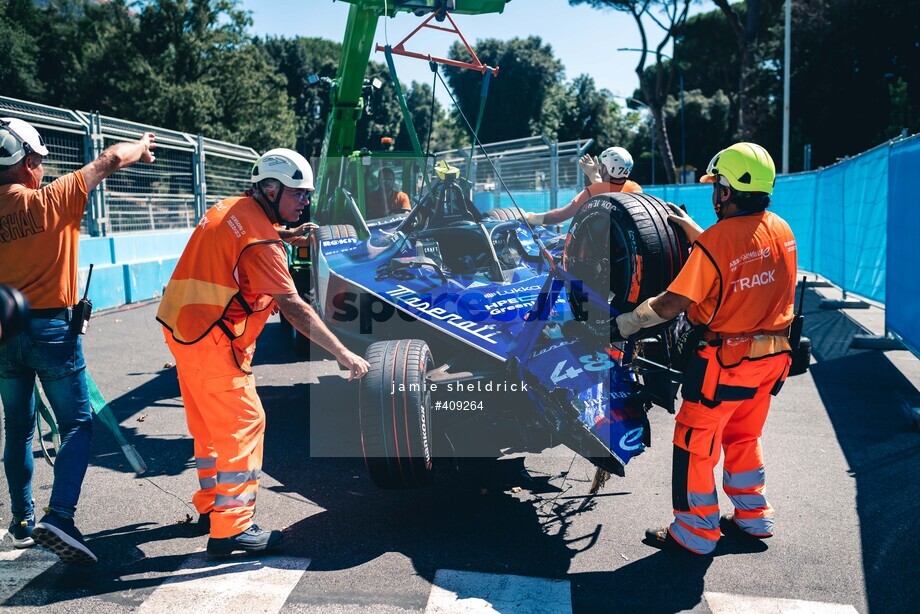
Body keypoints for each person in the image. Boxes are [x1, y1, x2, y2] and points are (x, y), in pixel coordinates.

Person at [157, 148, 370, 557]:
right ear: (270, 188)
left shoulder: (230, 208)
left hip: (182, 329)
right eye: (298, 194)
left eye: (307, 194)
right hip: (214, 340)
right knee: (244, 423)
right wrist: (343, 352)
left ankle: (211, 507)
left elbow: (239, 239)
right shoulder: (261, 245)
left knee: (210, 427)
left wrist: (284, 235)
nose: (306, 201)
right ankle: (231, 529)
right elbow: (293, 307)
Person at [615, 142, 797, 555]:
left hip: (724, 365)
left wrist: (622, 325)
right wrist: (696, 233)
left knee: (694, 442)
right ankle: (754, 517)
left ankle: (695, 531)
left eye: (717, 185)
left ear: (728, 191)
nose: (714, 193)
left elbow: (670, 304)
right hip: (773, 360)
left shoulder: (717, 242)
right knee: (744, 434)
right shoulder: (783, 230)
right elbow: (747, 254)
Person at [0, 118, 157, 564]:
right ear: (27, 162)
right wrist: (141, 147)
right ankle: (61, 517)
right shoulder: (52, 199)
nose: (43, 171)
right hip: (51, 328)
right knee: (76, 424)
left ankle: (22, 521)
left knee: (18, 431)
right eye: (39, 163)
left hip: (4, 333)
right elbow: (109, 159)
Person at [525, 146, 642, 226]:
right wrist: (594, 177)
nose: (600, 167)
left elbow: (560, 215)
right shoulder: (636, 189)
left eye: (603, 165)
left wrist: (532, 218)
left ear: (607, 168)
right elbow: (611, 199)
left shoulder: (594, 190)